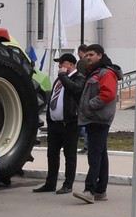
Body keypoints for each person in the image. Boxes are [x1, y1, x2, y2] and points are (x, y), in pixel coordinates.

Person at [73, 43, 120, 204]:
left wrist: (89, 105)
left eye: (91, 54)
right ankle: (101, 190)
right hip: (94, 118)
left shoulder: (106, 73)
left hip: (99, 118)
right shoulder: (95, 72)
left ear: (100, 55)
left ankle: (90, 190)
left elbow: (107, 94)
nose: (88, 57)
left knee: (94, 155)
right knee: (101, 154)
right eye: (86, 55)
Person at [33, 53, 84, 194]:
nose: (60, 66)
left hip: (69, 123)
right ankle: (50, 183)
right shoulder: (60, 79)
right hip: (55, 124)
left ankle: (68, 184)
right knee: (52, 154)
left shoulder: (78, 78)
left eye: (63, 64)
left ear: (72, 65)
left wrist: (63, 76)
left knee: (70, 155)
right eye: (59, 64)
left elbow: (75, 89)